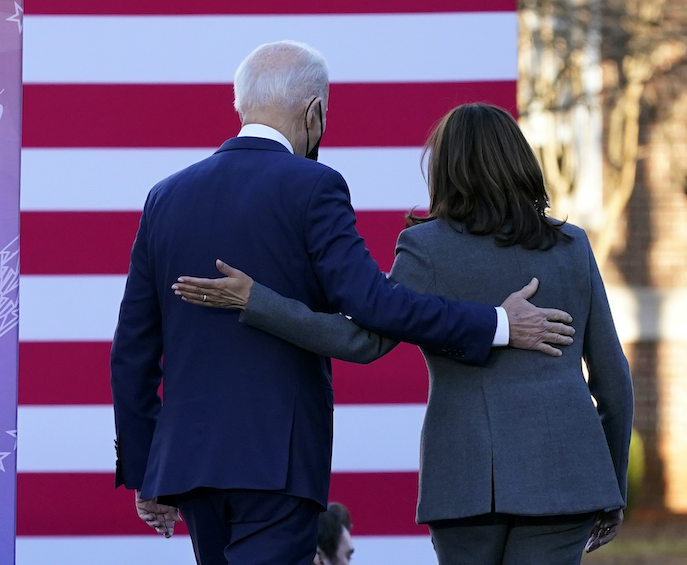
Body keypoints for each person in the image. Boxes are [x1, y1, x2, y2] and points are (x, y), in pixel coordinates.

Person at [110, 42, 577, 565]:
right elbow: (374, 304)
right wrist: (497, 324)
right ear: (314, 112)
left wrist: (146, 468)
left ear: (241, 106)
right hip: (278, 462)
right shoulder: (313, 185)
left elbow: (131, 349)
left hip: (188, 463)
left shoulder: (165, 196)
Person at [174, 102, 633, 565]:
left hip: (464, 483)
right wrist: (611, 486)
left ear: (445, 168)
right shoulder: (572, 247)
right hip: (568, 478)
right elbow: (613, 380)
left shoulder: (427, 247)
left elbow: (362, 340)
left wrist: (259, 301)